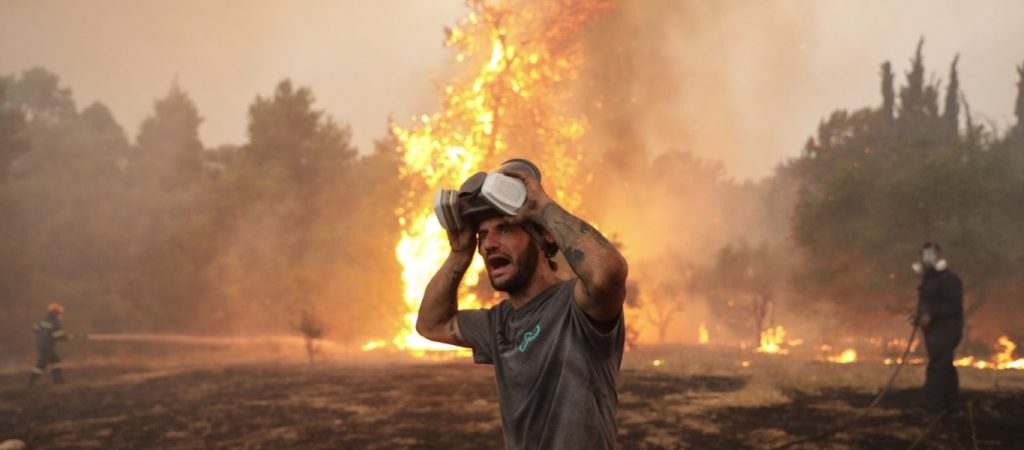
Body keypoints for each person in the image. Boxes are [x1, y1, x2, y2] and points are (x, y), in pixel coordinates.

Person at [416, 160, 629, 450]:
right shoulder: (497, 324)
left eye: (504, 229)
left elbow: (609, 273)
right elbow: (431, 324)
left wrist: (541, 206)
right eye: (483, 235)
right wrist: (458, 254)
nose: (488, 244)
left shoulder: (576, 308)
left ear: (543, 238)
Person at [912, 242, 963, 414]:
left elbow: (953, 306)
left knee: (938, 365)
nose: (927, 259)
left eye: (931, 254)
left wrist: (931, 314)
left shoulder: (950, 279)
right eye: (924, 255)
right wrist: (919, 316)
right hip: (934, 330)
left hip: (947, 330)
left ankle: (929, 405)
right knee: (945, 365)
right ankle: (952, 405)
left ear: (940, 256)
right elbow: (926, 302)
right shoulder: (928, 279)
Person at [30, 303, 70, 386]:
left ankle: (58, 380)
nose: (60, 314)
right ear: (56, 313)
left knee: (55, 360)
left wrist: (42, 337)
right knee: (41, 364)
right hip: (47, 346)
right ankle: (31, 381)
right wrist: (68, 337)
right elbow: (59, 337)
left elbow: (35, 329)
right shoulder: (55, 323)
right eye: (59, 313)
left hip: (41, 344)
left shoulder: (42, 320)